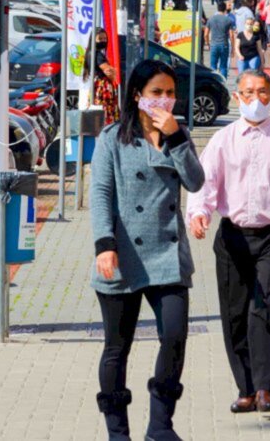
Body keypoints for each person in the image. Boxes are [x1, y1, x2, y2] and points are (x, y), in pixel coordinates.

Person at [186, 69, 270, 415]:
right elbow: (205, 182)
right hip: (233, 236)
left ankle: (266, 389)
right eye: (248, 92)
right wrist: (199, 212)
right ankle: (245, 388)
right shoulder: (223, 139)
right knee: (234, 313)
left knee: (265, 307)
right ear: (237, 97)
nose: (256, 99)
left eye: (263, 92)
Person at [90, 60, 206, 441]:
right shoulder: (113, 138)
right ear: (137, 95)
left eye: (170, 93)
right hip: (124, 253)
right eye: (156, 92)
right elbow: (102, 194)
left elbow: (195, 180)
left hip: (169, 257)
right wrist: (104, 245)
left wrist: (174, 137)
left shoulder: (178, 133)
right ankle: (117, 431)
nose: (164, 100)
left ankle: (160, 425)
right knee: (116, 348)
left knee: (174, 337)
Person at [83, 28, 120, 125]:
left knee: (99, 111)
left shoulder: (90, 53)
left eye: (105, 38)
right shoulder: (97, 54)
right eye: (100, 39)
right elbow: (109, 71)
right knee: (105, 112)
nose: (103, 41)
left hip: (97, 85)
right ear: (93, 39)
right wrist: (114, 72)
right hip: (103, 87)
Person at [206, 2, 236, 79]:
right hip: (224, 44)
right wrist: (233, 48)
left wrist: (208, 44)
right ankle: (223, 83)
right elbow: (232, 35)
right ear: (225, 9)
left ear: (217, 8)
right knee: (223, 66)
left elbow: (206, 34)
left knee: (213, 66)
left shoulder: (211, 19)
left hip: (214, 44)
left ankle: (213, 82)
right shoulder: (228, 20)